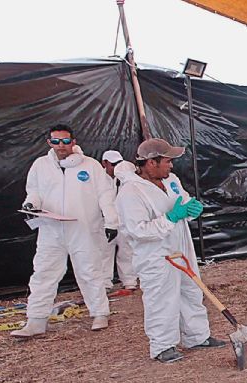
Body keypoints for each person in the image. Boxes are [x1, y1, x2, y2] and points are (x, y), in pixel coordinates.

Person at [115, 138, 225, 363]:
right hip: (155, 255)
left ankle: (197, 336)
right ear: (150, 163)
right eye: (167, 161)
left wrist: (192, 209)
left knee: (191, 292)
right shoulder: (130, 192)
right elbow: (138, 231)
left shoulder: (172, 180)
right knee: (161, 299)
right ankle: (162, 346)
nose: (172, 166)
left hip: (181, 246)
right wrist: (171, 217)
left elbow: (184, 202)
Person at [12, 124, 118, 338]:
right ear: (49, 142)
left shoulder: (90, 166)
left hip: (83, 228)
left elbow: (105, 194)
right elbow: (34, 191)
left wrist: (112, 221)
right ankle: (36, 320)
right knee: (43, 272)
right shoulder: (40, 165)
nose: (61, 145)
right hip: (51, 229)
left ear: (74, 141)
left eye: (66, 141)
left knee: (90, 271)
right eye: (56, 141)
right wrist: (31, 204)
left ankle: (99, 313)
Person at [100, 150, 138, 291]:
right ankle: (104, 284)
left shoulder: (125, 176)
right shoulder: (98, 178)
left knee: (127, 251)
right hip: (105, 221)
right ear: (105, 163)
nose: (117, 167)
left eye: (118, 163)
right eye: (113, 164)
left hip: (123, 221)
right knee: (104, 252)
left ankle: (129, 281)